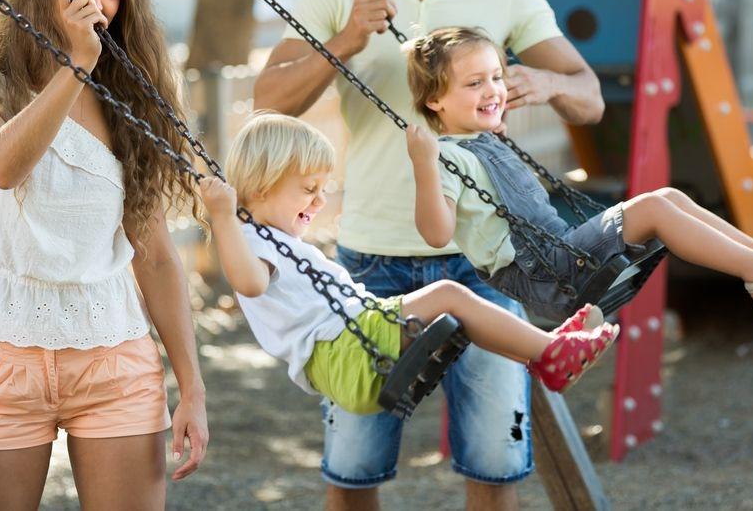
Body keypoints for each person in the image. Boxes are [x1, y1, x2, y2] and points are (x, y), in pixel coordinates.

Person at [254, 0, 603, 509]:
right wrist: (348, 37)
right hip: (368, 266)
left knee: (494, 467)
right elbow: (268, 102)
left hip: (483, 260)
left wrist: (552, 85)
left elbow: (588, 95)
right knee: (353, 471)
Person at [0, 0, 209, 510]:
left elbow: (156, 256)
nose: (98, 4)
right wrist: (74, 67)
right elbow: (2, 166)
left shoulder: (128, 98)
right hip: (3, 356)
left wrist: (191, 387)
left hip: (115, 356)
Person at [404, 27, 753, 320]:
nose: (493, 90)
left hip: (557, 256)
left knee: (667, 196)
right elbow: (436, 234)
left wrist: (488, 128)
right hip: (545, 274)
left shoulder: (477, 142)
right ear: (435, 102)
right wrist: (424, 165)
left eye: (496, 77)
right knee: (653, 206)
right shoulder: (444, 158)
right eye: (474, 83)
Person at [199, 114, 619, 411]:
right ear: (260, 185)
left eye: (323, 188)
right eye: (309, 188)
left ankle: (544, 356)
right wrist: (222, 216)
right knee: (450, 295)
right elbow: (249, 283)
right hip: (345, 353)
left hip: (352, 341)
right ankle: (548, 351)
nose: (320, 200)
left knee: (458, 310)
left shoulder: (269, 238)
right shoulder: (252, 239)